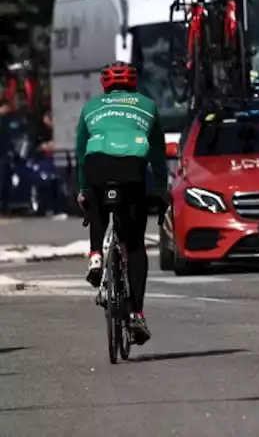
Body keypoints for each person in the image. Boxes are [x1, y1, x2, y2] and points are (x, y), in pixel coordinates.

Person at [75, 62, 167, 346]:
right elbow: (158, 154)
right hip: (132, 167)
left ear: (105, 86)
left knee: (96, 203)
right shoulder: (148, 106)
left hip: (97, 164)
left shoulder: (91, 107)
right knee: (136, 245)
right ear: (134, 84)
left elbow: (81, 151)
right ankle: (137, 314)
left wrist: (82, 190)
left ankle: (95, 256)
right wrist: (162, 189)